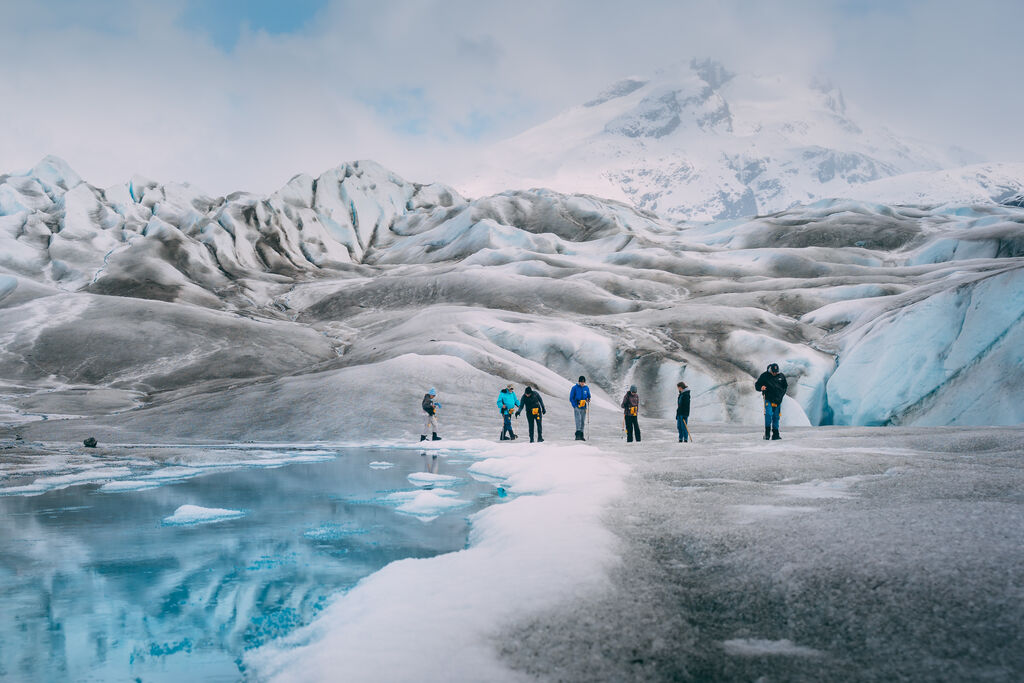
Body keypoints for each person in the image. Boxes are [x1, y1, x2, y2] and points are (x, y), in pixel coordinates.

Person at [754, 362, 788, 440]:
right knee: (768, 414)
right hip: (768, 399)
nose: (775, 373)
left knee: (776, 417)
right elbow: (757, 385)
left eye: (776, 372)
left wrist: (781, 395)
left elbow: (785, 386)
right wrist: (761, 387)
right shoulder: (765, 376)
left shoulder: (781, 376)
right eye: (774, 372)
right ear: (770, 370)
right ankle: (767, 433)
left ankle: (776, 434)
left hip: (778, 400)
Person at [569, 376, 591, 440]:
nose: (582, 383)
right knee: (578, 420)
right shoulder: (574, 388)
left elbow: (588, 395)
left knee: (582, 421)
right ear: (579, 382)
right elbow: (571, 398)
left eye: (583, 382)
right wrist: (574, 406)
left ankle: (581, 435)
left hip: (583, 406)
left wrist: (588, 399)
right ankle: (577, 435)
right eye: (581, 382)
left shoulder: (586, 388)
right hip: (577, 406)